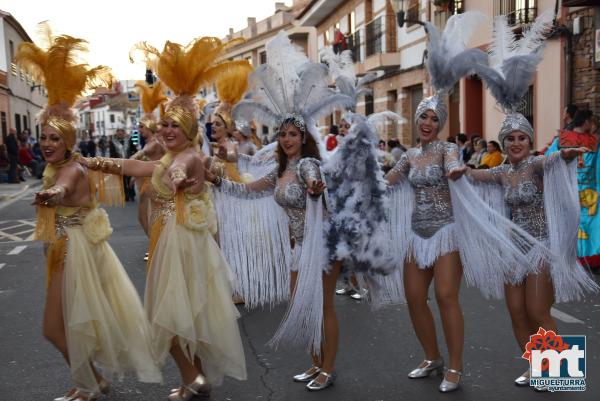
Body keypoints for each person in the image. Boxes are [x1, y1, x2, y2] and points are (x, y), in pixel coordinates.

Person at [384, 12, 545, 393]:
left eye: (433, 117)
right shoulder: (407, 156)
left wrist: (458, 171)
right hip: (418, 233)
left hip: (454, 235)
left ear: (440, 124)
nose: (427, 122)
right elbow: (387, 184)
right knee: (413, 298)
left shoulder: (446, 151)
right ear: (415, 120)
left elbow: (458, 166)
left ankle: (459, 367)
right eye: (422, 116)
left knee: (449, 297)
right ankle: (433, 357)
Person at [15, 24, 161, 401]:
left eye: (55, 138)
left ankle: (90, 383)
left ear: (68, 142)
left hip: (72, 253)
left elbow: (61, 186)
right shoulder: (71, 162)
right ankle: (90, 381)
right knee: (65, 324)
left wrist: (51, 195)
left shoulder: (69, 169)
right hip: (64, 250)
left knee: (56, 327)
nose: (46, 144)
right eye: (44, 136)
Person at [99, 36, 249, 401]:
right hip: (173, 239)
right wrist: (94, 162)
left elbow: (182, 171)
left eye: (174, 127)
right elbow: (140, 164)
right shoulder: (170, 157)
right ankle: (195, 379)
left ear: (188, 133)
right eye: (164, 124)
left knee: (164, 319)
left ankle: (194, 379)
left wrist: (181, 180)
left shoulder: (187, 158)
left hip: (179, 243)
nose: (166, 131)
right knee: (186, 320)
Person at [210, 32, 357, 391]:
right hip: (296, 248)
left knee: (322, 308)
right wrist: (219, 183)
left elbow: (314, 183)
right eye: (283, 134)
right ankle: (314, 363)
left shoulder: (308, 166)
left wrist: (315, 189)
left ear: (303, 137)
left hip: (320, 246)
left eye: (293, 133)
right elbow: (246, 192)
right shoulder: (279, 171)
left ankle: (328, 367)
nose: (287, 138)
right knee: (301, 306)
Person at [545, 109, 600, 270]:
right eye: (592, 121)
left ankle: (567, 255)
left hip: (566, 189)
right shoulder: (595, 142)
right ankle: (587, 257)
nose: (594, 124)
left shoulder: (561, 139)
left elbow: (548, 160)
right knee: (589, 222)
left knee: (567, 221)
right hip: (589, 191)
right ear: (586, 122)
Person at [129, 80, 167, 239]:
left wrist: (125, 166)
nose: (139, 130)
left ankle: (156, 243)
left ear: (150, 127)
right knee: (149, 216)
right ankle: (156, 243)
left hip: (153, 183)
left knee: (149, 216)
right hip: (148, 181)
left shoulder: (152, 145)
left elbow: (138, 157)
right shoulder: (153, 142)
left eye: (141, 127)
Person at [110, 128, 136, 201]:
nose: (120, 134)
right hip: (119, 164)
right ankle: (125, 195)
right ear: (117, 133)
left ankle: (132, 194)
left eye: (121, 132)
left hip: (129, 163)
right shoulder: (113, 142)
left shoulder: (129, 140)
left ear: (124, 133)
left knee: (130, 179)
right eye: (118, 132)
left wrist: (134, 156)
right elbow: (112, 154)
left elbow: (134, 149)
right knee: (122, 181)